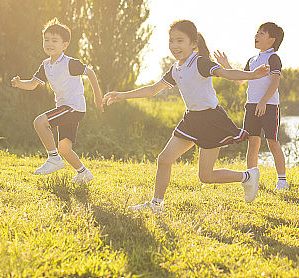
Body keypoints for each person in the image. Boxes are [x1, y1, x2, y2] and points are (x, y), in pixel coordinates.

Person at [104, 20, 270, 213]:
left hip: (211, 121)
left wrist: (252, 75)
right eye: (171, 41)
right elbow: (152, 90)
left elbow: (226, 73)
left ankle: (247, 177)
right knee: (164, 159)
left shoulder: (199, 63)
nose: (174, 46)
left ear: (193, 44)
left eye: (180, 40)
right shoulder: (176, 68)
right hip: (191, 120)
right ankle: (156, 204)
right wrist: (122, 95)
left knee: (205, 176)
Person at [11, 18, 104, 184]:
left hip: (73, 108)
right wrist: (19, 84)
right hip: (66, 109)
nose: (49, 43)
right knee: (64, 149)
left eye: (55, 40)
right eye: (46, 40)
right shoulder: (46, 65)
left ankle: (53, 159)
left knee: (40, 122)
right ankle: (83, 173)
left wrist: (97, 97)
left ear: (65, 45)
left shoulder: (70, 63)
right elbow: (33, 84)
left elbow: (90, 73)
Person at [214, 22, 289, 191]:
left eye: (261, 33)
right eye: (257, 32)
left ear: (272, 39)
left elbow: (275, 81)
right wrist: (226, 65)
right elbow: (241, 81)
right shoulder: (252, 60)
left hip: (269, 106)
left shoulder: (273, 58)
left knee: (272, 142)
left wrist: (263, 102)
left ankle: (282, 181)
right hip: (251, 106)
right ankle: (251, 178)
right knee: (253, 142)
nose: (256, 36)